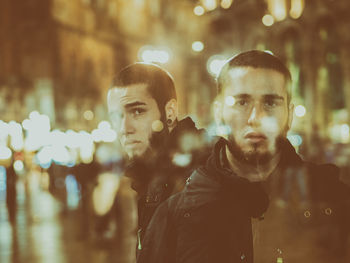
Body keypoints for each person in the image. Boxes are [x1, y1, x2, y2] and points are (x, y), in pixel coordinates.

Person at [136, 50, 350, 263]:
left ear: (289, 115)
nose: (256, 117)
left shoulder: (334, 201)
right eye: (241, 102)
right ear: (219, 114)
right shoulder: (174, 216)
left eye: (270, 102)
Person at [107, 62, 210, 258]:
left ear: (170, 112)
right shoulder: (155, 175)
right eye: (116, 116)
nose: (124, 128)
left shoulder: (198, 178)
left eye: (137, 111)